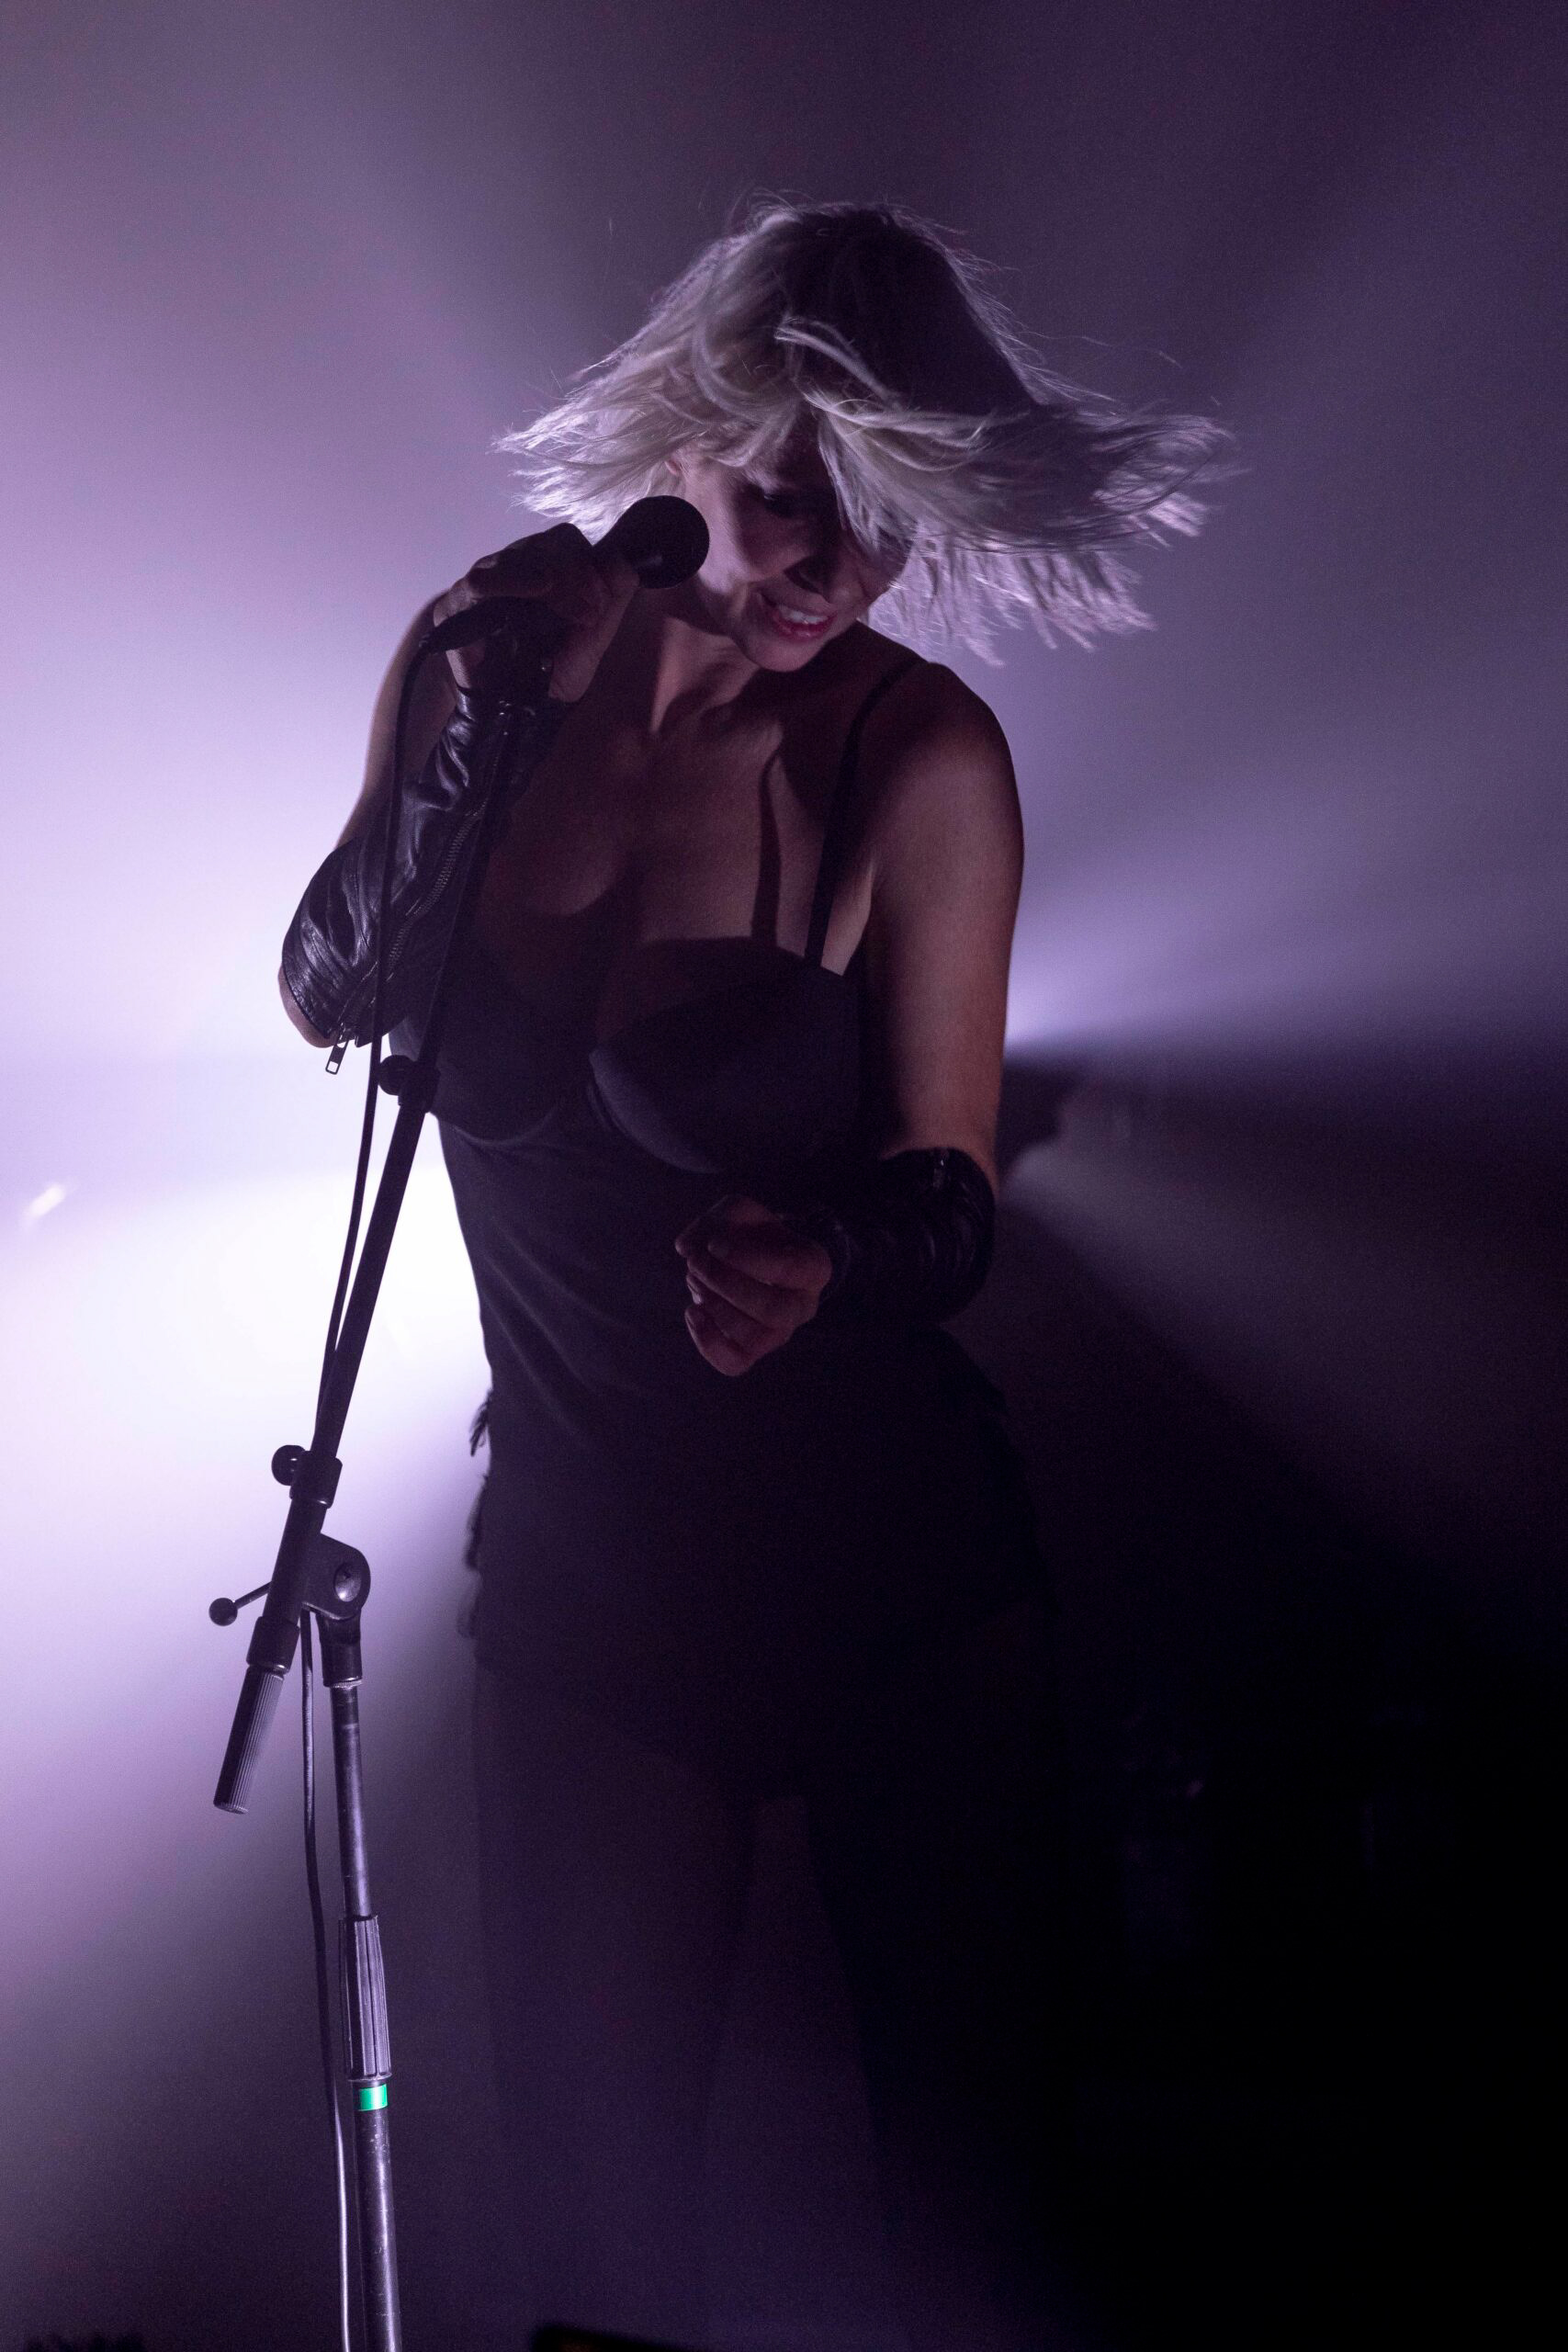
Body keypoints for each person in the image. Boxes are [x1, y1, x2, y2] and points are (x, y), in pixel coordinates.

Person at [280, 200, 1221, 2350]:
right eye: (793, 491)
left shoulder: (912, 753)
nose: (825, 562)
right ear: (695, 425)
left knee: (977, 2251)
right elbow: (331, 981)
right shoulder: (485, 655)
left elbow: (949, 1199)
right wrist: (475, 736)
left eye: (879, 519)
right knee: (597, 2265)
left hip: (895, 1582)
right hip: (589, 1573)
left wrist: (823, 1251)